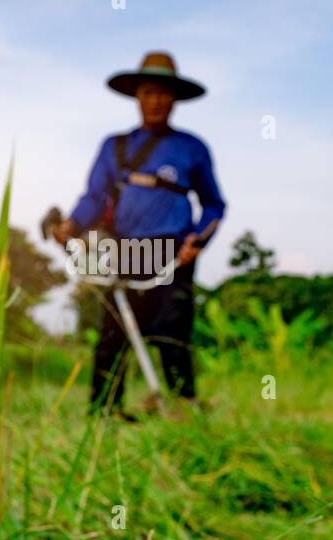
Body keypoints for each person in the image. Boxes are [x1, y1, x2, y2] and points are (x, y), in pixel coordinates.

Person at [52, 51, 226, 417]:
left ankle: (182, 405)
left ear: (174, 99)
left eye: (164, 93)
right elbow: (94, 197)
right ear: (138, 96)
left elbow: (213, 204)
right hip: (123, 249)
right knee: (113, 332)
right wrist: (71, 226)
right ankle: (105, 412)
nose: (157, 101)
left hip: (173, 250)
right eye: (149, 92)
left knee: (172, 330)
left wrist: (199, 240)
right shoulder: (114, 146)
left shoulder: (191, 148)